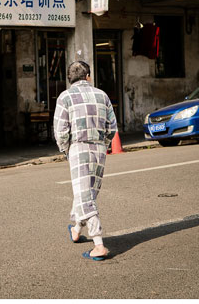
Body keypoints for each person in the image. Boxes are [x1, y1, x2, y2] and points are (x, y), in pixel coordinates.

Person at [53, 61, 118, 261]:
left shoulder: (65, 97)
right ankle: (76, 229)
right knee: (87, 192)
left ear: (69, 78)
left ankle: (98, 244)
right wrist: (102, 144)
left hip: (78, 147)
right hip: (99, 148)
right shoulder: (102, 95)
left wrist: (66, 150)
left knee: (84, 195)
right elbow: (112, 127)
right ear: (87, 75)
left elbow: (60, 131)